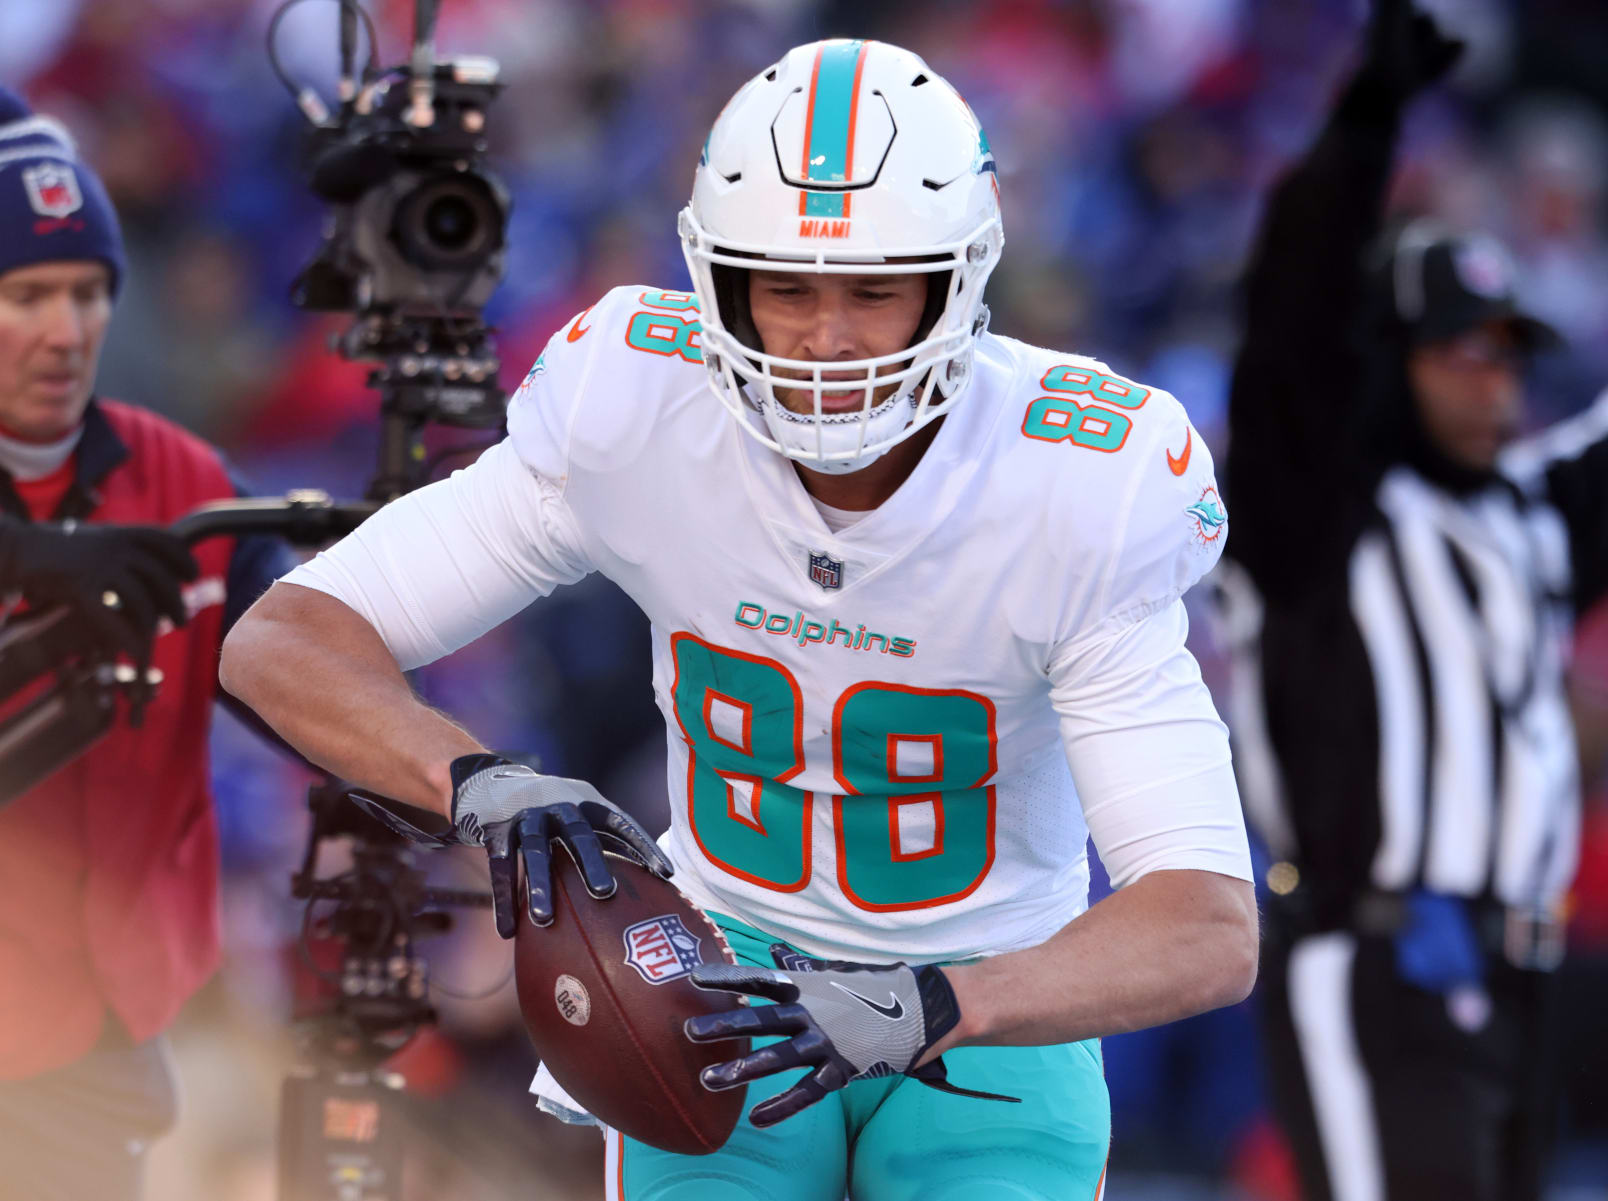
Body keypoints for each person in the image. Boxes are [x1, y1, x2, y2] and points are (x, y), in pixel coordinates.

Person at [220, 37, 1259, 1201]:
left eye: (874, 288)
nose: (825, 339)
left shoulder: (1078, 484)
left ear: (958, 278)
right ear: (717, 280)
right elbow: (285, 639)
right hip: (718, 988)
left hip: (990, 1000)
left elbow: (1206, 921)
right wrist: (476, 781)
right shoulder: (638, 412)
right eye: (787, 286)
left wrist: (942, 1002)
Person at [1214, 3, 1608, 1200]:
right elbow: (1288, 327)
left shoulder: (1529, 517)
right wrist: (1364, 128)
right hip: (1372, 955)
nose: (1497, 382)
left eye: (1507, 353)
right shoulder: (1315, 516)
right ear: (1390, 357)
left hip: (1524, 966)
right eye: (1460, 352)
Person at [0, 88, 293, 1199]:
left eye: (86, 293)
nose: (66, 329)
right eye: (26, 293)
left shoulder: (175, 475)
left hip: (94, 1035)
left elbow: (293, 652)